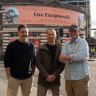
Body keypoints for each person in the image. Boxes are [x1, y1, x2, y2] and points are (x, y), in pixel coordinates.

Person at [4, 24, 36, 96]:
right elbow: (7, 63)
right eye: (22, 32)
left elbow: (34, 62)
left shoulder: (31, 46)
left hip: (28, 79)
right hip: (14, 78)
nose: (24, 34)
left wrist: (32, 75)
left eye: (26, 32)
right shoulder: (11, 46)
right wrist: (9, 78)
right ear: (18, 33)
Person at [59, 24, 90, 96]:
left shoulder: (83, 42)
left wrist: (67, 58)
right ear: (69, 32)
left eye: (74, 31)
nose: (73, 33)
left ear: (78, 31)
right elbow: (61, 58)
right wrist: (73, 58)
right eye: (71, 31)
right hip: (68, 78)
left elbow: (82, 56)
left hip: (81, 77)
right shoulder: (66, 44)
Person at [35, 28, 65, 96]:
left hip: (55, 79)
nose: (51, 36)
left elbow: (62, 64)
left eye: (52, 34)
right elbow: (38, 63)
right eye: (49, 34)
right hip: (43, 79)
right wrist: (46, 76)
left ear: (55, 35)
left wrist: (54, 75)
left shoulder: (61, 48)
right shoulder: (41, 48)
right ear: (46, 35)